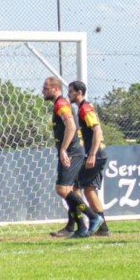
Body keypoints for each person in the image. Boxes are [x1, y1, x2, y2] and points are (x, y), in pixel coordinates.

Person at [42, 77, 104, 238]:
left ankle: (93, 217)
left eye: (45, 88)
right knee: (71, 191)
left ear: (55, 89)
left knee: (63, 189)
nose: (43, 91)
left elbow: (71, 126)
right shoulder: (60, 104)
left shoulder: (62, 104)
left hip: (73, 152)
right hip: (73, 151)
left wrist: (63, 150)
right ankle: (81, 227)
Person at [68, 81, 111, 236]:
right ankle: (103, 228)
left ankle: (83, 224)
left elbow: (97, 131)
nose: (69, 94)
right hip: (98, 154)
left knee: (76, 189)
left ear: (79, 92)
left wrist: (92, 154)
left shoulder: (85, 108)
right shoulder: (83, 108)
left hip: (96, 154)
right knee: (89, 190)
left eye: (71, 91)